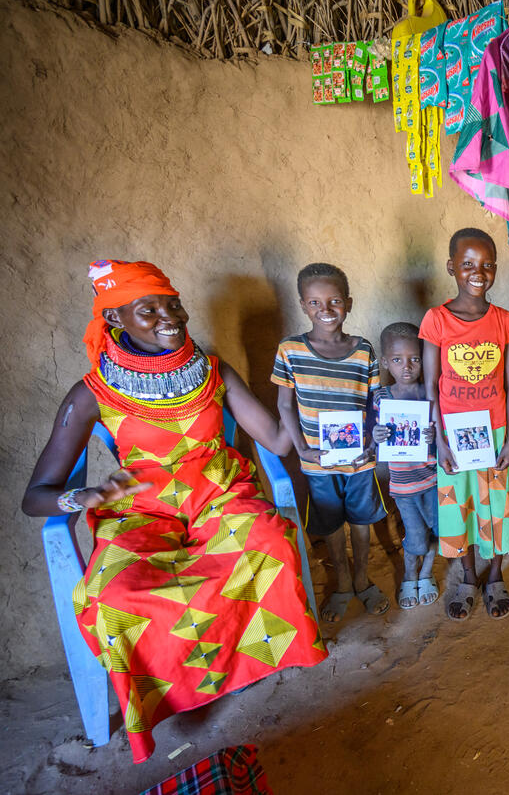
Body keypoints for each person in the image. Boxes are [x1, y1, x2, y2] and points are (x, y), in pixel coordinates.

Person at [22, 260, 327, 763]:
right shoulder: (92, 393)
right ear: (116, 321)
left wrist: (299, 403)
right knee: (117, 596)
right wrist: (86, 497)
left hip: (219, 497)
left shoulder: (211, 370)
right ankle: (177, 692)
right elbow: (36, 495)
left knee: (271, 540)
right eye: (149, 310)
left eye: (172, 304)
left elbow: (273, 438)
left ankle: (238, 666)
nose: (169, 316)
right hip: (141, 515)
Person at [421, 227, 509, 620]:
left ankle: (496, 574)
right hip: (455, 436)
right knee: (462, 509)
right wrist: (441, 443)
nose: (477, 272)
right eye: (467, 264)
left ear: (496, 269)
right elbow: (432, 389)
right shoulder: (436, 320)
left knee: (495, 509)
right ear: (451, 267)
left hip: (496, 434)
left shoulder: (505, 322)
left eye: (486, 265)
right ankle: (468, 576)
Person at [273, 263, 389, 623]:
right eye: (315, 302)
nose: (326, 310)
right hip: (317, 462)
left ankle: (361, 578)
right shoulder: (290, 350)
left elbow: (374, 403)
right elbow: (283, 404)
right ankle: (341, 582)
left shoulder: (363, 351)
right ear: (303, 305)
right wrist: (302, 449)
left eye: (335, 301)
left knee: (361, 519)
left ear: (349, 303)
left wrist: (373, 438)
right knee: (332, 523)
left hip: (360, 461)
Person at [372, 322, 439, 610]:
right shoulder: (382, 398)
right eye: (397, 360)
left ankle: (425, 574)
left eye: (414, 359)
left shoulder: (430, 393)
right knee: (416, 537)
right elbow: (374, 439)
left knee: (439, 529)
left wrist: (435, 437)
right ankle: (409, 574)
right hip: (404, 485)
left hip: (435, 480)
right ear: (385, 362)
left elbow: (442, 436)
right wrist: (376, 436)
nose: (407, 367)